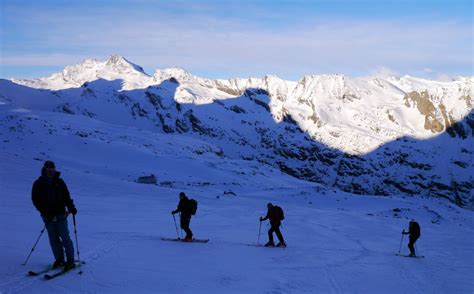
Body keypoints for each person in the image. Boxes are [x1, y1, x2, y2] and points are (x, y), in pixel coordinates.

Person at [31, 160, 77, 270]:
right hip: (47, 216)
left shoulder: (60, 182)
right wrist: (44, 212)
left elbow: (66, 196)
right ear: (45, 169)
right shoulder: (38, 183)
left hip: (61, 214)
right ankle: (59, 259)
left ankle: (70, 260)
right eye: (48, 168)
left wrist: (71, 207)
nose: (50, 170)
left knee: (65, 237)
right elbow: (35, 200)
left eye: (52, 168)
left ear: (54, 169)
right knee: (53, 239)